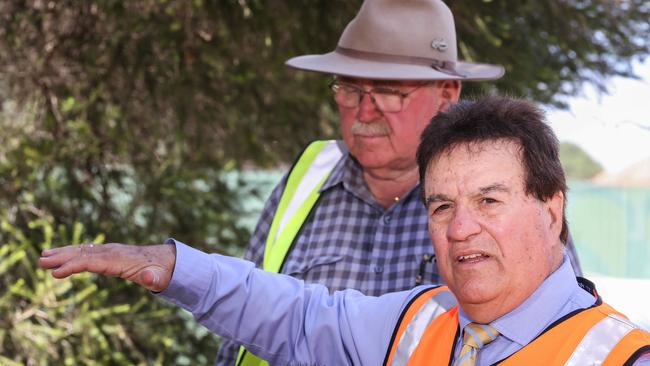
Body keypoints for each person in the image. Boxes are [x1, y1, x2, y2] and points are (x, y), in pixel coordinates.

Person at [40, 96, 649, 365]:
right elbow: (295, 315)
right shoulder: (418, 321)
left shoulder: (620, 357)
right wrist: (174, 268)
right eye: (440, 207)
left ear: (551, 209)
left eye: (489, 200)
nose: (461, 228)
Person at [216, 0, 582, 364]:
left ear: (446, 94)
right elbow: (244, 330)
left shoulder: (506, 203)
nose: (364, 110)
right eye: (350, 89)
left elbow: (564, 335)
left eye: (389, 91)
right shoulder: (304, 179)